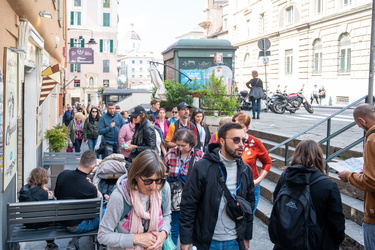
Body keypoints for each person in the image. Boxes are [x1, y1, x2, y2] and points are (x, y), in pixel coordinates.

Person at [180, 122, 255, 250]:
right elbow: (188, 205)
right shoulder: (203, 167)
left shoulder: (245, 170)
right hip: (207, 241)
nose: (241, 144)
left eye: (244, 140)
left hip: (235, 241)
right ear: (222, 141)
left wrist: (246, 237)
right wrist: (186, 240)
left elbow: (249, 205)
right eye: (236, 140)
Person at [273, 139, 345, 249]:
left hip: (286, 240)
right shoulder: (328, 185)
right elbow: (336, 222)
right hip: (315, 243)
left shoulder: (286, 176)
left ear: (296, 154)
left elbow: (276, 201)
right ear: (319, 157)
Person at [97, 150, 171, 249]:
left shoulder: (163, 187)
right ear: (135, 176)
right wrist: (136, 239)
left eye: (157, 180)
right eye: (148, 181)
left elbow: (167, 215)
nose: (153, 187)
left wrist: (163, 233)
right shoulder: (119, 197)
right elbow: (103, 236)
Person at [338, 103, 375, 250]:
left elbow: (372, 181)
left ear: (362, 121)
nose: (360, 128)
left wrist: (348, 175)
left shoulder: (372, 139)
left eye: (358, 125)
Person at [55, 150, 103, 250]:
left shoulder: (63, 174)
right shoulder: (90, 188)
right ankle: (102, 243)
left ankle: (75, 242)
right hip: (76, 227)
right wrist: (95, 188)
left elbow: (56, 194)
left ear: (80, 160)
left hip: (60, 220)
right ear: (92, 167)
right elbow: (95, 210)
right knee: (106, 212)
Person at [164, 129, 203, 245]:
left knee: (191, 226)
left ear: (191, 144)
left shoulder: (199, 156)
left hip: (192, 197)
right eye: (178, 145)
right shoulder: (171, 153)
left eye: (183, 146)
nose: (180, 148)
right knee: (174, 226)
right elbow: (163, 172)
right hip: (174, 197)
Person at [233, 112, 272, 212]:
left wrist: (258, 180)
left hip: (250, 185)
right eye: (235, 126)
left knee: (248, 216)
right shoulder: (228, 141)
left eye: (241, 127)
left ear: (247, 127)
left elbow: (267, 162)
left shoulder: (255, 143)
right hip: (232, 184)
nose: (238, 130)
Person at [19, 167, 58, 250]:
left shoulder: (23, 189)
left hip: (27, 223)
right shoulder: (43, 193)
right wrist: (51, 198)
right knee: (53, 217)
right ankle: (50, 244)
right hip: (40, 224)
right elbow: (54, 208)